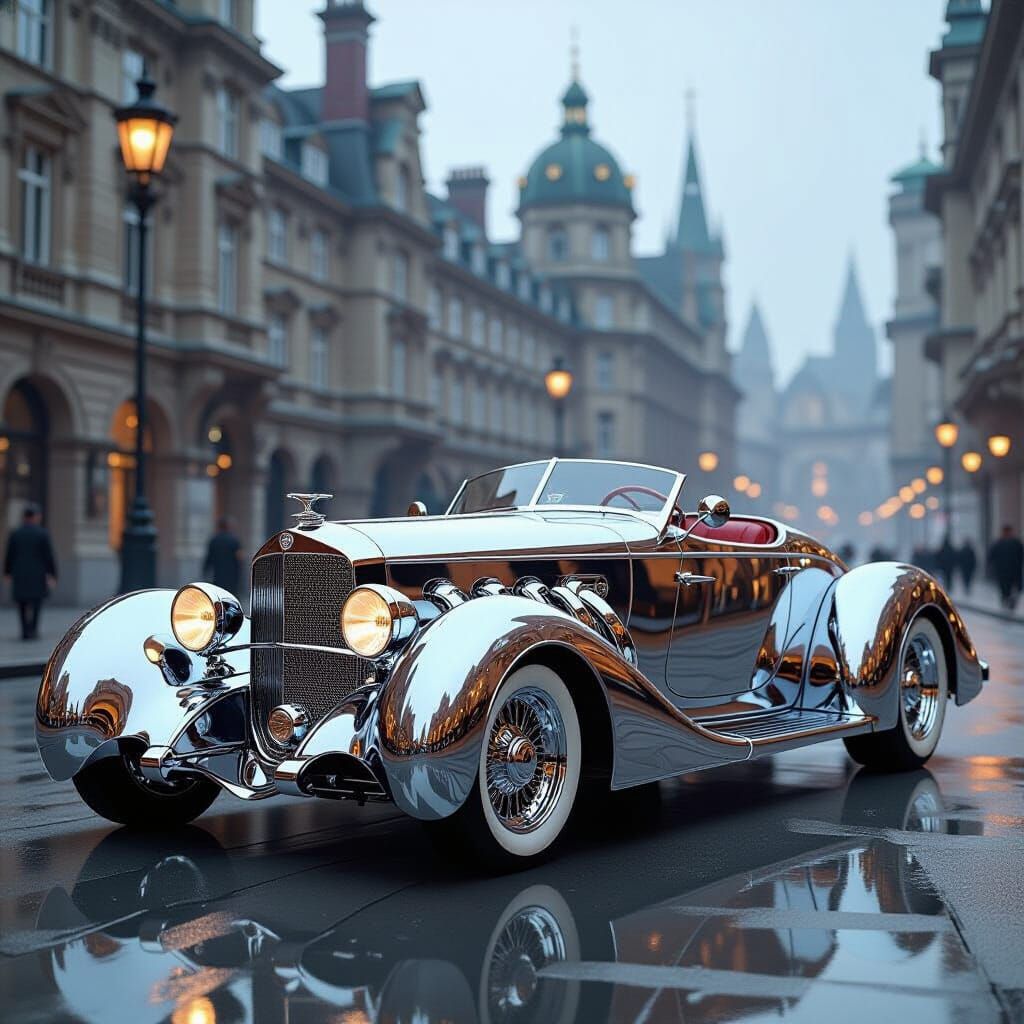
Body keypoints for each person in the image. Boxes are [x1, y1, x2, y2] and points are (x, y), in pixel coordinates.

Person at [3, 503, 58, 641]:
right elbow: (48, 556)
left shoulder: (15, 533)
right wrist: (52, 574)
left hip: (20, 573)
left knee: (22, 603)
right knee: (37, 602)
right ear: (35, 517)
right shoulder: (42, 533)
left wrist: (7, 572)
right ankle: (33, 629)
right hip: (37, 574)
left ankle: (24, 630)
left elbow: (9, 554)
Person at [988, 524, 1024, 611]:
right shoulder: (1000, 543)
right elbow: (991, 557)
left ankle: (1009, 601)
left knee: (1013, 588)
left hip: (1012, 571)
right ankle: (1007, 601)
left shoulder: (1015, 543)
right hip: (1005, 571)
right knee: (1005, 589)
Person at [203, 516, 242, 594]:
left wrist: (205, 570)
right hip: (232, 574)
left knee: (219, 593)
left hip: (218, 574)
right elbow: (239, 558)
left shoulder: (214, 540)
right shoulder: (234, 540)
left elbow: (209, 557)